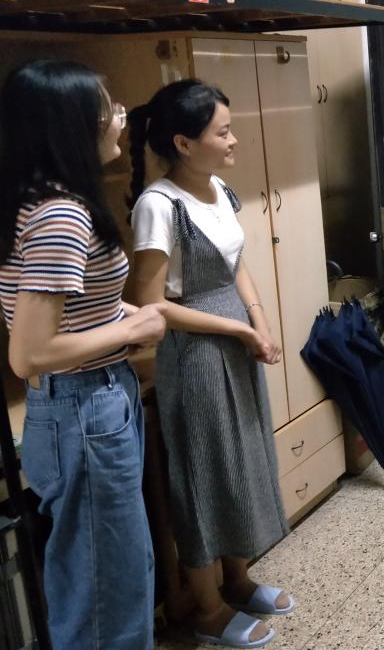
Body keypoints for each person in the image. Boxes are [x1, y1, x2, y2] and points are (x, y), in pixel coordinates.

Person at [0, 60, 167, 649]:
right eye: (107, 109)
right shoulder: (60, 215)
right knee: (106, 595)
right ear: (71, 125)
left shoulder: (33, 200)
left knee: (108, 575)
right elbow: (30, 351)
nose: (119, 118)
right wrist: (134, 325)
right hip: (83, 408)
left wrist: (122, 319)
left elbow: (69, 311)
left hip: (83, 404)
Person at [128, 80, 291, 649]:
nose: (233, 140)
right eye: (223, 132)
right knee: (203, 475)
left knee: (240, 460)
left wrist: (259, 319)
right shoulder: (158, 205)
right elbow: (151, 303)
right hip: (196, 355)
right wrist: (239, 329)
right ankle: (207, 608)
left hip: (236, 340)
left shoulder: (218, 187)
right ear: (184, 143)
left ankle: (237, 580)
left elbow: (236, 263)